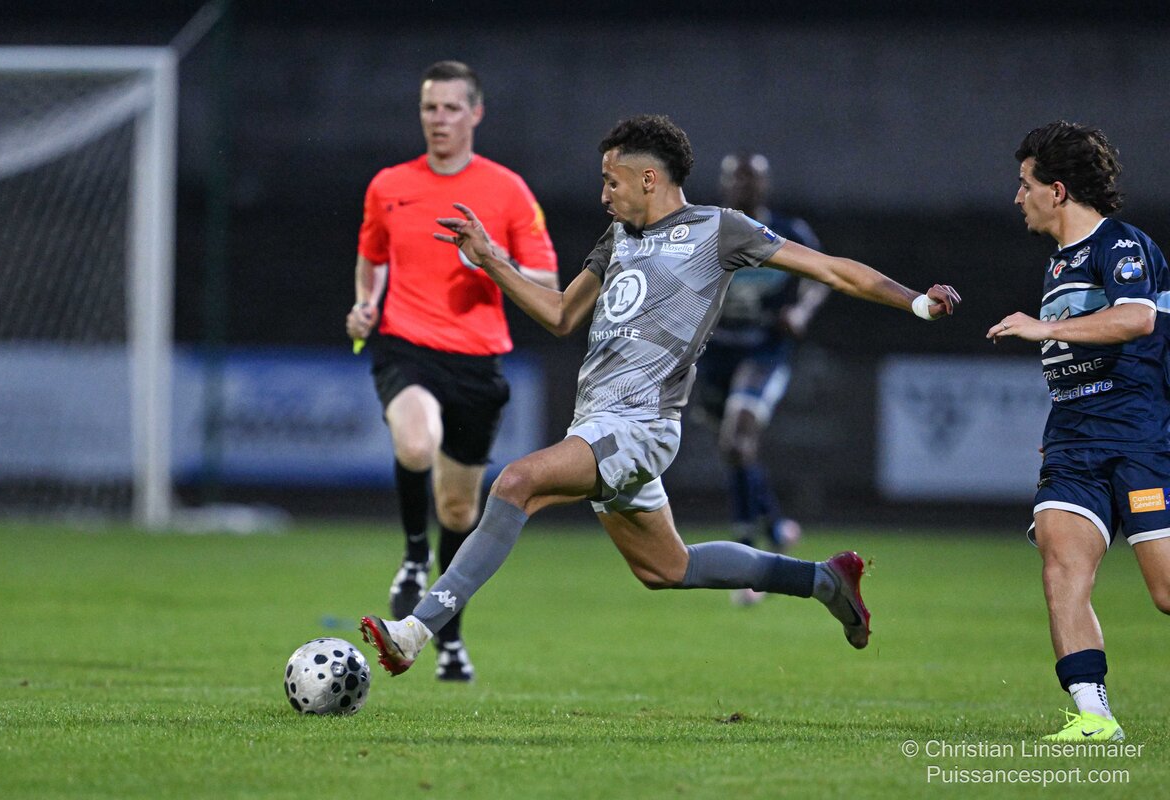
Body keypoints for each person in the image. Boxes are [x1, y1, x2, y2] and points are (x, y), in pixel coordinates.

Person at [359, 114, 960, 678]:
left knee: (515, 483)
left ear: (649, 178)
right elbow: (562, 314)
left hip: (640, 427)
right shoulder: (618, 236)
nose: (604, 194)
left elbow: (831, 270)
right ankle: (826, 581)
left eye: (611, 180)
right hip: (597, 424)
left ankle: (416, 630)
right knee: (667, 567)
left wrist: (916, 302)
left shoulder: (719, 230)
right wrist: (491, 260)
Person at [344, 60, 559, 681]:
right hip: (405, 346)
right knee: (416, 441)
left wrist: (487, 260)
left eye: (450, 108)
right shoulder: (389, 185)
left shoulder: (508, 190)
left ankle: (447, 639)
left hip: (477, 361)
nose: (438, 119)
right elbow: (371, 260)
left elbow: (547, 279)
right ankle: (414, 557)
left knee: (460, 512)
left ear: (475, 113)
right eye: (429, 108)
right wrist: (364, 305)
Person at [988, 121, 1170, 742]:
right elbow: (1079, 358)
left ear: (1057, 190)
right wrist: (1063, 411)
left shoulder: (1120, 245)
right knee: (1061, 565)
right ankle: (1094, 716)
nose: (1018, 196)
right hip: (1073, 441)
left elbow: (1135, 319)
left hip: (1141, 439)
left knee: (1166, 591)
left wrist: (1044, 329)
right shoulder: (1060, 263)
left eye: (1025, 183)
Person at [695, 153, 830, 606]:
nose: (744, 187)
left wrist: (802, 310)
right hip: (714, 354)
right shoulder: (707, 231)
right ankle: (776, 526)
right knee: (736, 450)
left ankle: (749, 562)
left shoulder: (788, 231)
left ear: (765, 186)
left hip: (763, 351)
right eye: (737, 179)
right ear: (724, 185)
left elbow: (823, 275)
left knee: (737, 441)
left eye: (752, 180)